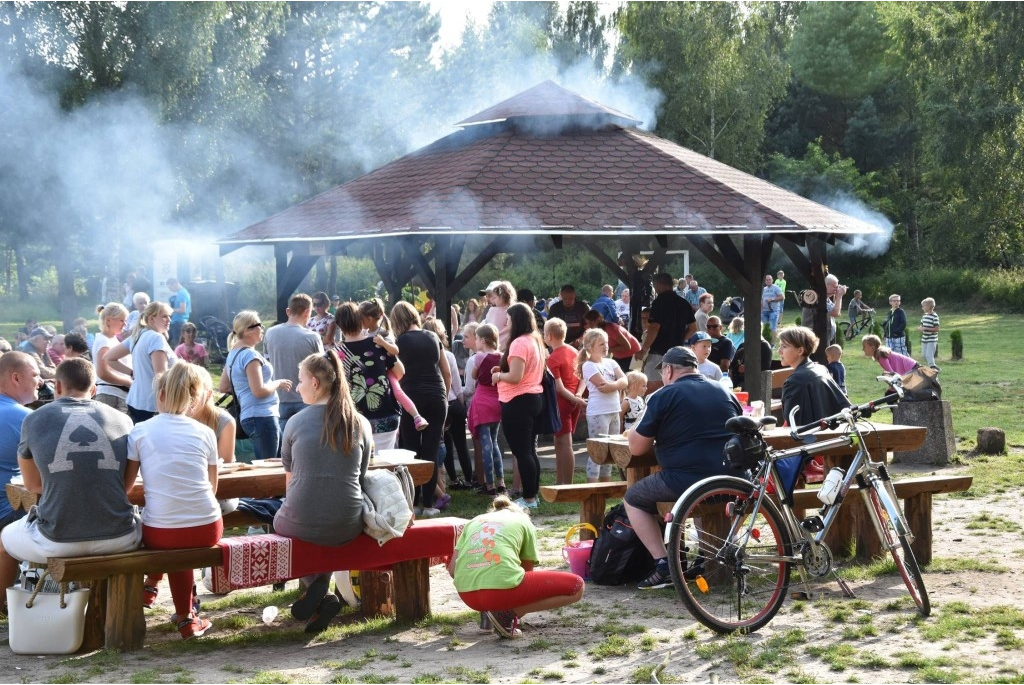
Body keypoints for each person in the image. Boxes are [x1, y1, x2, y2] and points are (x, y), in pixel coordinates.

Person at [0, 358, 141, 607]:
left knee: (4, 540)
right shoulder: (124, 420)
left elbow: (34, 486)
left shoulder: (33, 419)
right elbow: (125, 487)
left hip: (58, 540)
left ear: (59, 388)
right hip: (121, 536)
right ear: (94, 389)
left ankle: (2, 610)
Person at [625, 346, 741, 589]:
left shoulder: (663, 396)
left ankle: (663, 562)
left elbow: (636, 448)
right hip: (734, 477)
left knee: (633, 497)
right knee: (704, 500)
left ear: (668, 370)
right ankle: (704, 558)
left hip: (687, 479)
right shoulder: (723, 390)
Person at [275, 351, 372, 634]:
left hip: (303, 521)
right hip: (348, 522)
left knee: (287, 520)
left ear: (315, 382)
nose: (298, 384)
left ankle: (316, 587)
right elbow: (360, 476)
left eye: (301, 379)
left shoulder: (294, 422)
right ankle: (321, 599)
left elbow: (291, 484)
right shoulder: (360, 423)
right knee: (325, 518)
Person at [126, 363, 221, 639]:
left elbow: (127, 486)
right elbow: (212, 487)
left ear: (161, 394)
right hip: (207, 526)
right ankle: (185, 617)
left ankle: (172, 605)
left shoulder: (140, 430)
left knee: (166, 528)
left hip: (161, 533)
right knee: (183, 531)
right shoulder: (205, 432)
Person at [450, 495, 584, 639]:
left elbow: (453, 570)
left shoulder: (473, 522)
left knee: (489, 572)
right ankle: (507, 614)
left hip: (467, 595)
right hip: (499, 590)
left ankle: (487, 620)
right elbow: (527, 571)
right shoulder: (524, 522)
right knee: (577, 586)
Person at [390, 301, 451, 516]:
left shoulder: (398, 342)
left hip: (411, 398)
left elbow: (396, 373)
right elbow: (447, 372)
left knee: (412, 452)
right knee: (431, 451)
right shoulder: (434, 337)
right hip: (436, 396)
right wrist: (444, 395)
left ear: (396, 320)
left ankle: (413, 502)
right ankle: (429, 505)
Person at [779, 327, 852, 481]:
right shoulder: (820, 368)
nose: (779, 351)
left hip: (809, 450)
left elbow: (790, 421)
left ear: (800, 350)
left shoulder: (795, 380)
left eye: (784, 347)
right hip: (832, 439)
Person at [218, 310, 292, 462]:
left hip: (251, 416)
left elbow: (223, 386)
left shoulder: (233, 354)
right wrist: (278, 383)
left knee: (280, 462)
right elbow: (258, 391)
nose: (262, 328)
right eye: (259, 325)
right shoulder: (250, 355)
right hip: (262, 416)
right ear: (247, 330)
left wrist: (243, 389)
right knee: (269, 467)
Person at [492, 303, 546, 509]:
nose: (506, 322)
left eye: (508, 318)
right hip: (533, 398)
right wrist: (504, 369)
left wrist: (498, 375)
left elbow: (515, 377)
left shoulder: (519, 343)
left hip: (517, 400)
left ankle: (530, 498)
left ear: (516, 320)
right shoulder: (535, 340)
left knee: (522, 451)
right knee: (530, 450)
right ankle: (533, 494)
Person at [335, 302, 404, 452]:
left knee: (358, 469)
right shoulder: (379, 344)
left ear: (339, 325)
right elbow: (400, 373)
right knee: (385, 468)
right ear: (360, 319)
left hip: (353, 419)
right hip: (386, 414)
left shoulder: (335, 354)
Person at [359, 298, 430, 432]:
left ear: (369, 319)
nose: (358, 321)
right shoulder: (364, 333)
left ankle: (416, 416)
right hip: (374, 370)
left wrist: (383, 343)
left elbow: (395, 351)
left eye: (360, 318)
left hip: (387, 369)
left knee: (397, 390)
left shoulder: (384, 333)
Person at [104, 301, 178, 424]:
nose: (168, 320)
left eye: (169, 316)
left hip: (136, 400)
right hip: (153, 405)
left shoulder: (138, 335)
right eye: (164, 316)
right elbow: (161, 375)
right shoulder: (156, 337)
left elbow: (108, 357)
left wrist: (132, 372)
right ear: (152, 319)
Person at [423, 318, 472, 494]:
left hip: (437, 403)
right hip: (452, 401)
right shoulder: (449, 355)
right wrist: (461, 404)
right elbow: (457, 385)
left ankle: (453, 478)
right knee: (461, 444)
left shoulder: (425, 356)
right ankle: (469, 477)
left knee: (445, 444)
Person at [264, 293, 324, 431]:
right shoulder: (313, 337)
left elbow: (266, 362)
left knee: (283, 446)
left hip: (279, 397)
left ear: (288, 311)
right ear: (308, 312)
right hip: (307, 398)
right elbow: (322, 369)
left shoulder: (270, 333)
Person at [576, 328, 627, 483]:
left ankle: (606, 485)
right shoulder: (588, 366)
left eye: (606, 343)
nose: (606, 346)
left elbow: (625, 380)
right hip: (599, 413)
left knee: (610, 451)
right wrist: (617, 385)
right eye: (601, 344)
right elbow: (601, 385)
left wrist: (614, 385)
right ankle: (592, 487)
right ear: (590, 347)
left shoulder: (611, 362)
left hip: (614, 411)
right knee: (598, 451)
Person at [0, 352, 41, 532]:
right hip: (8, 513)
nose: (40, 381)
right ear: (16, 378)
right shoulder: (26, 418)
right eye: (35, 375)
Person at [637, 273, 697, 393]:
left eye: (655, 285)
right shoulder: (684, 303)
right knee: (675, 389)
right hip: (678, 354)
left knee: (653, 390)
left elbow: (654, 327)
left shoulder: (659, 302)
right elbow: (693, 328)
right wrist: (680, 339)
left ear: (658, 284)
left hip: (659, 352)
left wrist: (643, 350)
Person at [543, 318, 586, 485]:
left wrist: (574, 398)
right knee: (560, 443)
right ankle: (560, 481)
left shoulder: (553, 358)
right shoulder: (574, 351)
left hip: (563, 403)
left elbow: (559, 388)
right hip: (574, 399)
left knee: (565, 444)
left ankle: (566, 484)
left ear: (549, 336)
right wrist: (579, 396)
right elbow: (583, 377)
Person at [467, 323, 504, 495]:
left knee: (486, 445)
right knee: (495, 442)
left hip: (482, 402)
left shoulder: (479, 357)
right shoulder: (502, 356)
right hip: (497, 401)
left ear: (482, 340)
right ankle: (501, 481)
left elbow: (474, 375)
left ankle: (489, 484)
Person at [93, 302, 131, 413]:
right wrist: (128, 382)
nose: (124, 324)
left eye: (125, 320)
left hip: (118, 394)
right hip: (111, 396)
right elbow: (103, 373)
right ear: (109, 320)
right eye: (121, 320)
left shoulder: (112, 340)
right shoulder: (104, 341)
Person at [802, 274, 847, 346]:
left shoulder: (825, 298)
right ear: (826, 285)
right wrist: (839, 296)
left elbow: (835, 310)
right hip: (815, 340)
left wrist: (837, 296)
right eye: (834, 287)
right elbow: (836, 313)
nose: (836, 289)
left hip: (823, 338)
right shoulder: (815, 297)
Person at [483, 281, 516, 351]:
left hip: (496, 346)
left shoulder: (493, 311)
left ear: (502, 296)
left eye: (492, 296)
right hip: (508, 346)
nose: (488, 300)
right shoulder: (514, 310)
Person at [166, 277, 191, 348]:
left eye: (170, 288)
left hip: (178, 321)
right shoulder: (184, 292)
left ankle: (179, 357)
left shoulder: (181, 294)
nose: (170, 290)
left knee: (178, 343)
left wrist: (170, 309)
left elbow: (182, 309)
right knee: (168, 340)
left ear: (175, 284)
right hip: (178, 321)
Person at [761, 274, 785, 341]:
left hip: (773, 311)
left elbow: (782, 297)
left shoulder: (776, 287)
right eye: (767, 280)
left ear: (772, 280)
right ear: (765, 281)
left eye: (769, 279)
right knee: (764, 328)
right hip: (764, 311)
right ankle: (765, 342)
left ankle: (773, 344)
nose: (768, 281)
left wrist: (772, 299)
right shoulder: (764, 289)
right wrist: (761, 310)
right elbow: (762, 300)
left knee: (772, 327)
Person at [919, 298, 940, 369]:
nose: (922, 308)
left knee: (929, 355)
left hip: (932, 339)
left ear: (929, 306)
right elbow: (922, 325)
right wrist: (920, 328)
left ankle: (933, 368)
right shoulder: (924, 315)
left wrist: (926, 329)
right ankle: (933, 367)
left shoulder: (935, 316)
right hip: (924, 339)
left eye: (923, 306)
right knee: (924, 355)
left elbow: (937, 329)